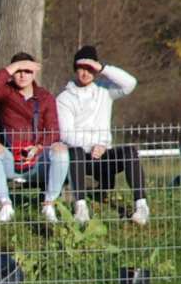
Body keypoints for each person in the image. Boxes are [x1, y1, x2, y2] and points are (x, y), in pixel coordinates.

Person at [56, 46, 147, 225]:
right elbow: (66, 133)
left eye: (91, 68)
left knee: (130, 152)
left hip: (105, 153)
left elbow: (130, 83)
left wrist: (103, 68)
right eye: (82, 68)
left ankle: (141, 206)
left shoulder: (105, 90)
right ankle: (81, 207)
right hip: (82, 156)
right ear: (75, 69)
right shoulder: (64, 98)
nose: (86, 73)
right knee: (75, 152)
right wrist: (91, 146)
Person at [0, 52, 69, 223]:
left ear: (34, 73)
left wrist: (38, 147)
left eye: (27, 70)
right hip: (12, 160)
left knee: (60, 148)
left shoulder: (45, 97)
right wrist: (13, 67)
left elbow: (54, 131)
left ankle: (49, 204)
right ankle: (5, 204)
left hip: (39, 160)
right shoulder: (5, 93)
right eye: (18, 71)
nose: (22, 75)